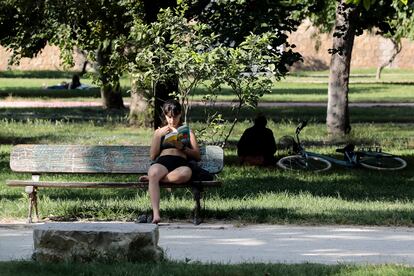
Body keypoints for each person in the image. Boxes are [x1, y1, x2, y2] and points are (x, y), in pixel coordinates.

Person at [140, 99, 200, 224]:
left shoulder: (187, 131)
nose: (172, 120)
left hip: (180, 163)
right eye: (169, 117)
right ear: (165, 116)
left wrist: (182, 147)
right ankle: (156, 214)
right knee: (154, 171)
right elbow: (153, 155)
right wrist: (158, 135)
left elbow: (197, 156)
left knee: (186, 173)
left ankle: (154, 179)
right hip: (164, 161)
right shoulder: (159, 132)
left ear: (180, 115)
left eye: (175, 117)